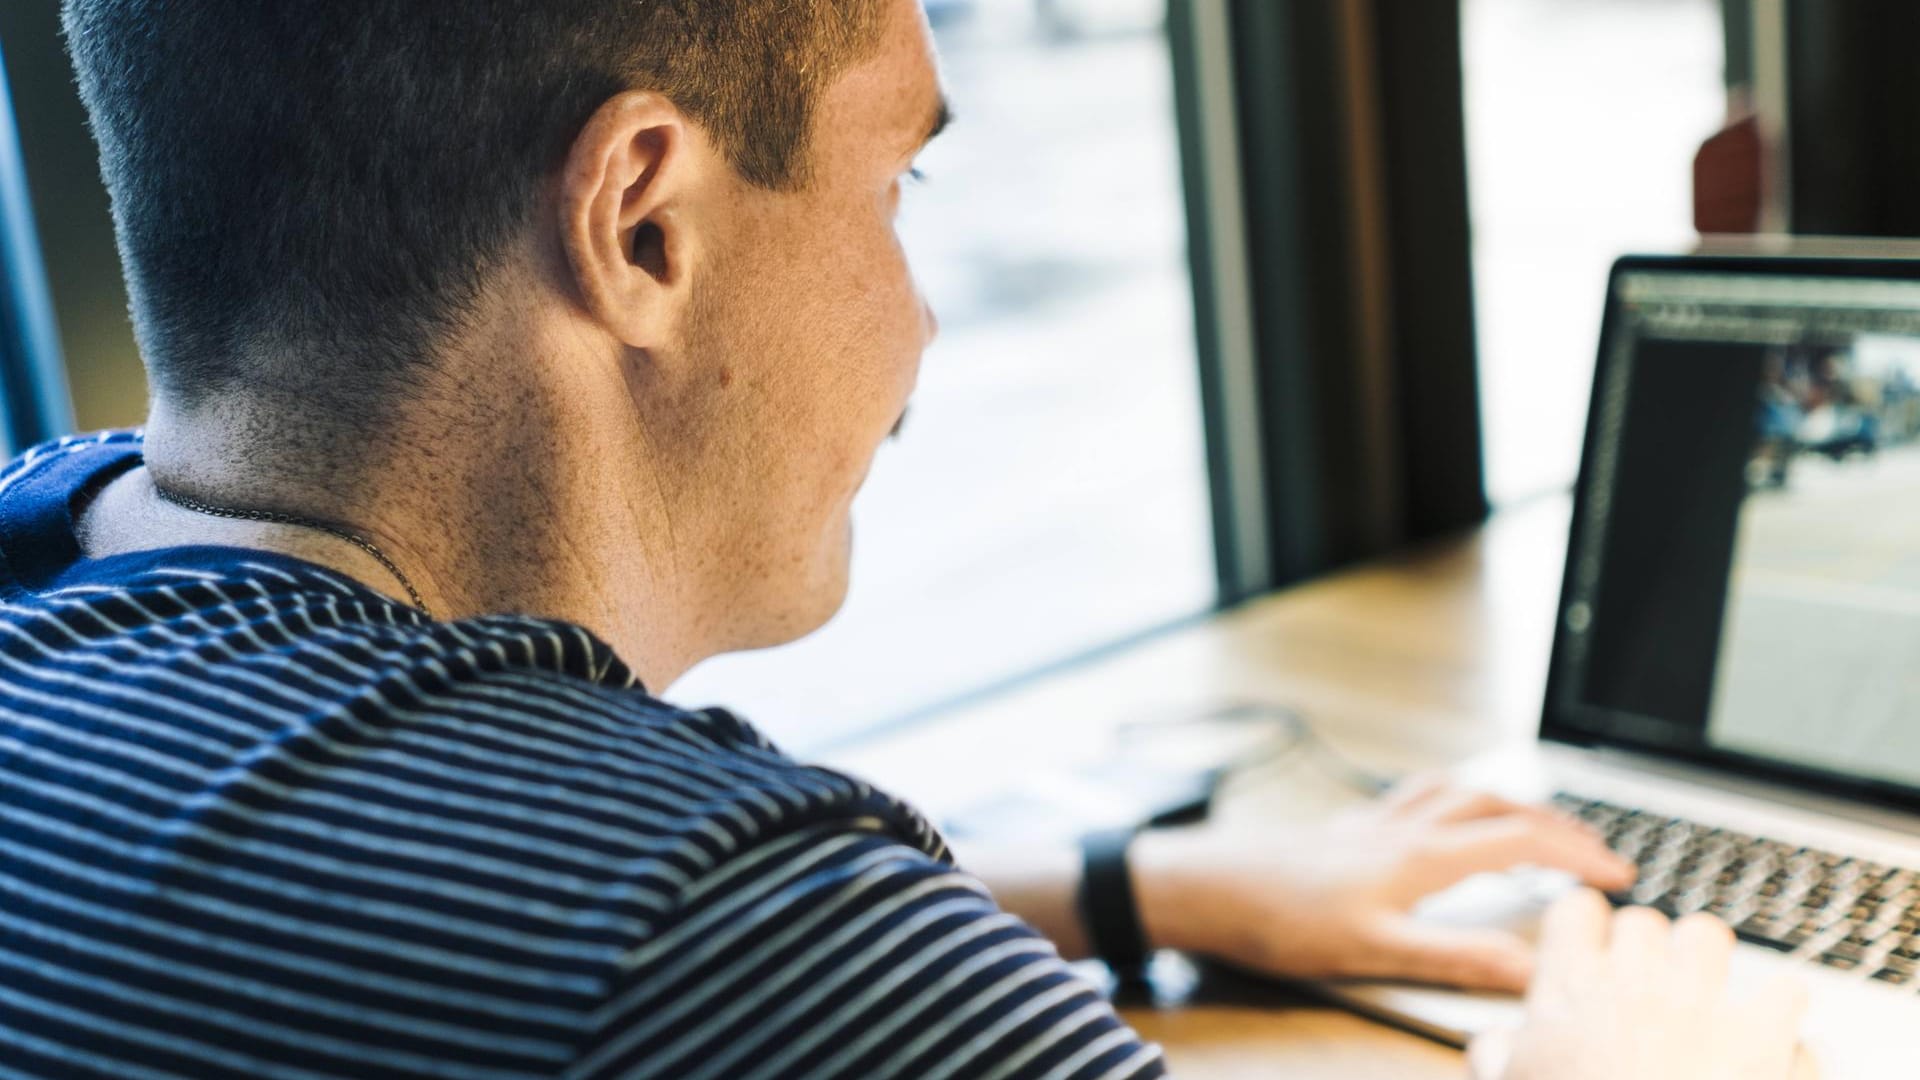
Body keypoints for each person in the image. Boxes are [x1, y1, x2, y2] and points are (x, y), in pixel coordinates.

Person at [1, 0, 1811, 1075]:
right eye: (896, 184)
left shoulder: (50, 569)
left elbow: (428, 906)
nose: (922, 319)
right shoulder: (736, 954)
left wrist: (1128, 882)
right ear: (642, 227)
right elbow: (682, 949)